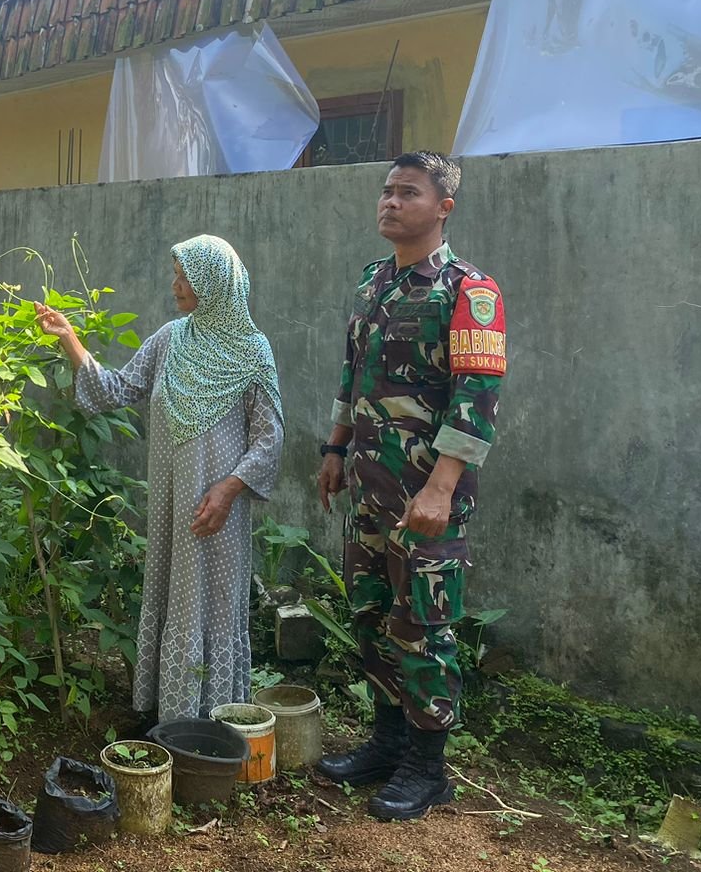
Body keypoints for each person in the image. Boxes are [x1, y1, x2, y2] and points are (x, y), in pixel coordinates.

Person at [314, 151, 506, 821]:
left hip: (427, 499)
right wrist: (335, 449)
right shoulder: (374, 283)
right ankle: (387, 743)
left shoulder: (468, 292)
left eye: (409, 192)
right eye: (387, 191)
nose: (390, 202)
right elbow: (352, 378)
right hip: (370, 487)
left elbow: (477, 396)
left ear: (443, 206)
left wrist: (441, 487)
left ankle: (428, 768)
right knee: (369, 613)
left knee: (423, 624)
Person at [36, 234, 283, 725]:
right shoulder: (171, 340)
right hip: (174, 510)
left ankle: (212, 719)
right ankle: (170, 715)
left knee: (213, 602)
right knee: (174, 595)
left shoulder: (254, 352)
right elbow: (116, 389)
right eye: (176, 274)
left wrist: (230, 488)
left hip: (219, 515)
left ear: (213, 282)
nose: (175, 285)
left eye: (184, 276)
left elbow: (270, 437)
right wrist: (69, 339)